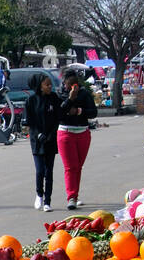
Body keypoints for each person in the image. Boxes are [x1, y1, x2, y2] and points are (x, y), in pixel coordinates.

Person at [56, 68, 97, 209]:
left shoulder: (84, 93)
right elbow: (59, 114)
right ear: (64, 83)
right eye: (69, 83)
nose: (73, 86)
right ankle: (71, 197)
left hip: (83, 133)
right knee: (70, 167)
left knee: (78, 166)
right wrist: (70, 99)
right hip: (66, 133)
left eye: (75, 83)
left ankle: (75, 194)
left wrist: (80, 111)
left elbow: (93, 112)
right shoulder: (60, 94)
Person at [25, 72, 61, 210]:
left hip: (51, 139)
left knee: (49, 172)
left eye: (50, 84)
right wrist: (38, 134)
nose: (50, 87)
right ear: (40, 86)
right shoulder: (31, 101)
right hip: (37, 141)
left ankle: (47, 202)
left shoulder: (54, 98)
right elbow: (30, 122)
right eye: (47, 84)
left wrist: (51, 134)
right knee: (40, 170)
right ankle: (39, 194)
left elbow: (58, 118)